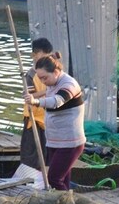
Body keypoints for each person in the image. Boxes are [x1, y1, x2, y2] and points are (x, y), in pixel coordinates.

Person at [23, 55, 85, 191]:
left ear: (56, 72)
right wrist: (32, 96)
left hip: (70, 143)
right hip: (54, 141)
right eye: (40, 78)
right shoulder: (51, 84)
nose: (43, 81)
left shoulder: (69, 84)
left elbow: (57, 102)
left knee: (54, 179)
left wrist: (36, 102)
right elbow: (46, 95)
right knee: (63, 179)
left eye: (45, 78)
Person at [20, 38, 55, 171]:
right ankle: (29, 178)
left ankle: (46, 177)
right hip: (33, 117)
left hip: (48, 116)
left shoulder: (51, 70)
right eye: (43, 55)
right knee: (31, 153)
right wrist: (46, 91)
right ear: (36, 53)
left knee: (47, 153)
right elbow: (29, 96)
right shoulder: (31, 75)